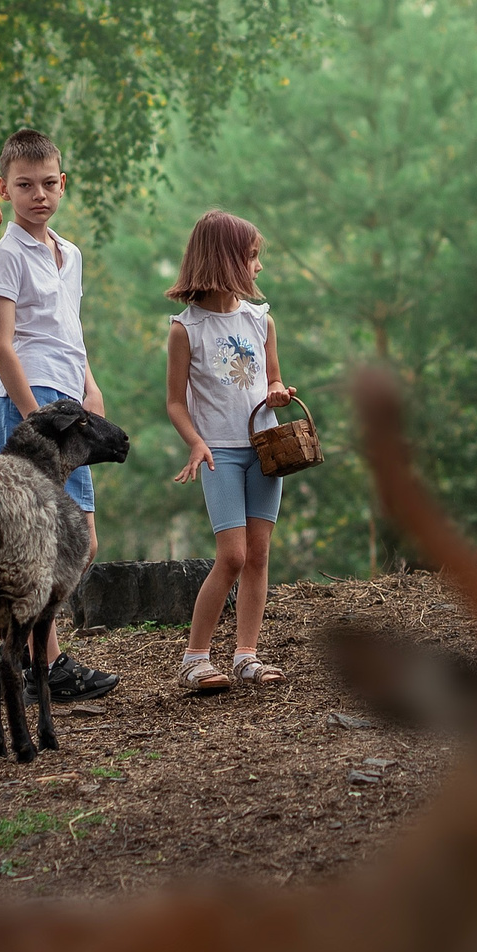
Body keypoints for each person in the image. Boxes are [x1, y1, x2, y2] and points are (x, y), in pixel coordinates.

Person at [0, 127, 121, 703]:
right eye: (24, 185)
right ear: (3, 189)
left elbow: (71, 332)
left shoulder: (72, 255)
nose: (38, 194)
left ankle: (30, 654)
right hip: (31, 403)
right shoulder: (6, 253)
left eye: (47, 183)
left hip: (70, 406)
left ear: (62, 184)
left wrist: (90, 388)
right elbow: (0, 344)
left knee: (80, 541)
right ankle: (44, 663)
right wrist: (36, 419)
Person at [163, 209, 296, 691]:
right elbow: (176, 403)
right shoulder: (187, 328)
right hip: (219, 453)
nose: (258, 266)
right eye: (253, 256)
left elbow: (273, 375)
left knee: (259, 555)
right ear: (226, 259)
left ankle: (246, 655)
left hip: (266, 449)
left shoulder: (260, 320)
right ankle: (195, 658)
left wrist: (278, 390)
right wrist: (195, 443)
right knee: (233, 556)